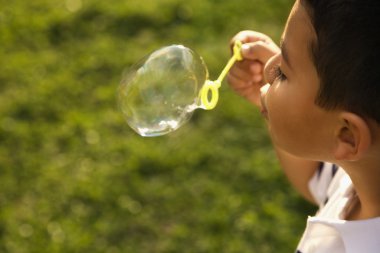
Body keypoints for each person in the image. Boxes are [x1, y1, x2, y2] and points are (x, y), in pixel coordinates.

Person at [227, 0, 380, 252]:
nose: (268, 69)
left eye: (283, 72)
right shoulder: (360, 175)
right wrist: (274, 104)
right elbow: (311, 177)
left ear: (348, 135)